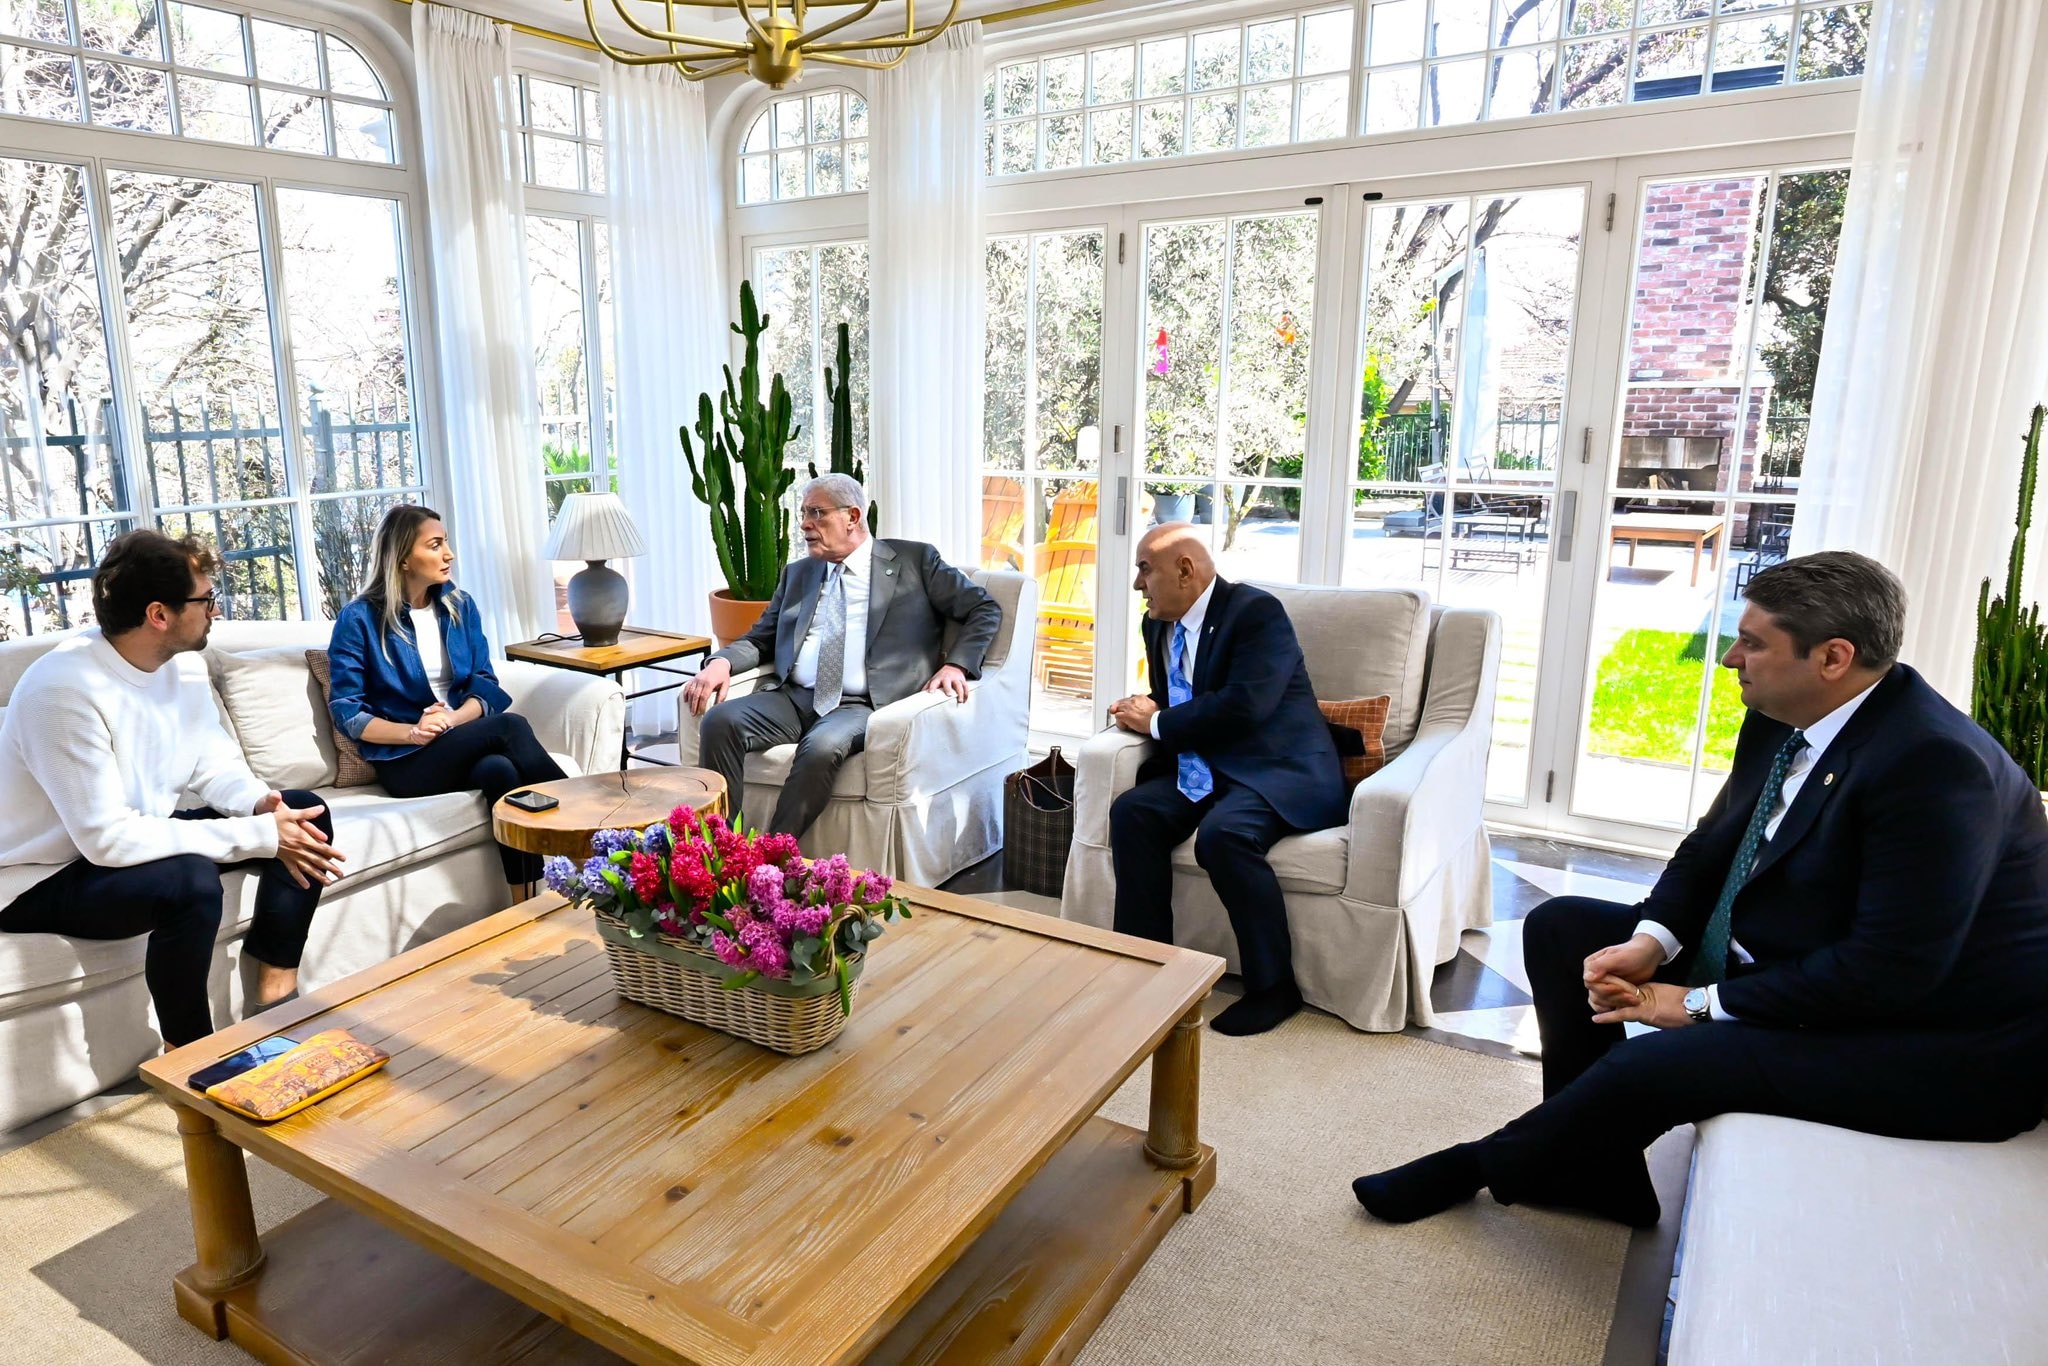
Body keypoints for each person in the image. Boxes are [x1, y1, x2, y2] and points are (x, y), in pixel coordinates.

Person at [1354, 551, 2048, 1227]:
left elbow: (1889, 973)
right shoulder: (1785, 712)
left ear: (1833, 658)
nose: (1730, 659)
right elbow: (1712, 846)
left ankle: (1477, 1165)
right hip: (1806, 961)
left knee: (1658, 1063)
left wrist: (1696, 1004)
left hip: (1930, 1041)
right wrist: (1651, 943)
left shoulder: (1933, 765)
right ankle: (1597, 1175)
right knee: (1562, 928)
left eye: (1753, 643)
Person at [0, 531, 345, 1047]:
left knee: (304, 811)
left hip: (133, 836)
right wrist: (259, 835)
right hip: (43, 874)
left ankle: (275, 1000)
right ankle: (190, 1055)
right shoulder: (62, 690)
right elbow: (106, 839)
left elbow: (210, 758)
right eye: (206, 599)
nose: (216, 610)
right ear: (159, 614)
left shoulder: (181, 664)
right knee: (189, 881)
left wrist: (259, 804)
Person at [1104, 522, 1347, 1037]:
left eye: (1145, 569)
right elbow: (1183, 693)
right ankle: (1147, 964)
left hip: (1274, 766)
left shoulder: (1256, 613)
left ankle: (1274, 988)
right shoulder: (1157, 624)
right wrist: (1142, 709)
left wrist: (1157, 722)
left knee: (1224, 836)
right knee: (1134, 812)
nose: (1138, 584)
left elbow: (1245, 704)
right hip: (1206, 765)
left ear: (1184, 570)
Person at [683, 473, 1002, 838]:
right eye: (804, 513)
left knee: (821, 747)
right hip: (793, 698)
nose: (805, 524)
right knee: (719, 721)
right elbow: (761, 638)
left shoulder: (915, 561)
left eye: (817, 513)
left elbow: (984, 608)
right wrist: (721, 662)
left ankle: (773, 851)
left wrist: (957, 665)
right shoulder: (799, 573)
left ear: (852, 516)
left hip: (861, 704)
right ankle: (720, 846)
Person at [327, 505, 565, 898]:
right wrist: (414, 732)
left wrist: (450, 720)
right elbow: (347, 711)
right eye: (435, 545)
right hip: (405, 761)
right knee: (511, 726)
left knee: (499, 771)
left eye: (446, 542)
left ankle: (523, 906)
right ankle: (598, 834)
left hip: (457, 739)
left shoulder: (459, 605)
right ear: (403, 558)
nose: (449, 554)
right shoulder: (359, 619)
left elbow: (485, 683)